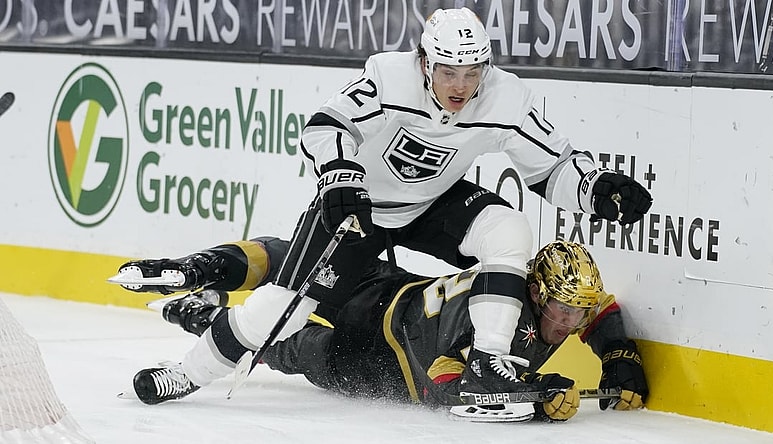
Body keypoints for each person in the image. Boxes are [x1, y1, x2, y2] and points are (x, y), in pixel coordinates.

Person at [121, 7, 652, 406]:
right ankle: (187, 373)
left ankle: (490, 361)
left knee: (507, 227)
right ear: (425, 62)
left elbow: (552, 167)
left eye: (472, 73)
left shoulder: (505, 97)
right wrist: (340, 179)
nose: (461, 87)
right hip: (362, 203)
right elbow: (324, 127)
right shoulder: (389, 76)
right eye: (448, 72)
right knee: (284, 310)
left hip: (433, 203)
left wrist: (595, 188)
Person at [125, 237, 648, 422]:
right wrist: (534, 402)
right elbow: (446, 391)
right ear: (535, 294)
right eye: (561, 309)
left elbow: (600, 309)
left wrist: (619, 355)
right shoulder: (493, 323)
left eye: (576, 313)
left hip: (391, 298)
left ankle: (199, 313)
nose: (570, 322)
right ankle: (197, 293)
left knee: (280, 343)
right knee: (289, 268)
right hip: (382, 355)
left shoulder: (535, 294)